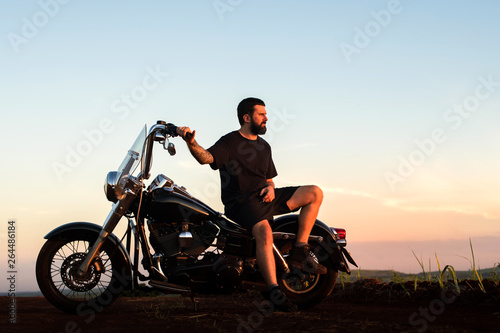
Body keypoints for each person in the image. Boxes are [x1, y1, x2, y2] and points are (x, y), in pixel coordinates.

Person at [176, 97, 325, 312]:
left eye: (266, 114)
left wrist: (271, 188)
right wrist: (190, 142)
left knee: (315, 193)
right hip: (241, 202)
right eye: (261, 114)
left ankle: (300, 252)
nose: (267, 118)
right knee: (264, 231)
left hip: (265, 198)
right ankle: (274, 292)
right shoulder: (229, 142)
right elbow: (206, 158)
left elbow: (269, 178)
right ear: (247, 117)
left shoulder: (265, 147)